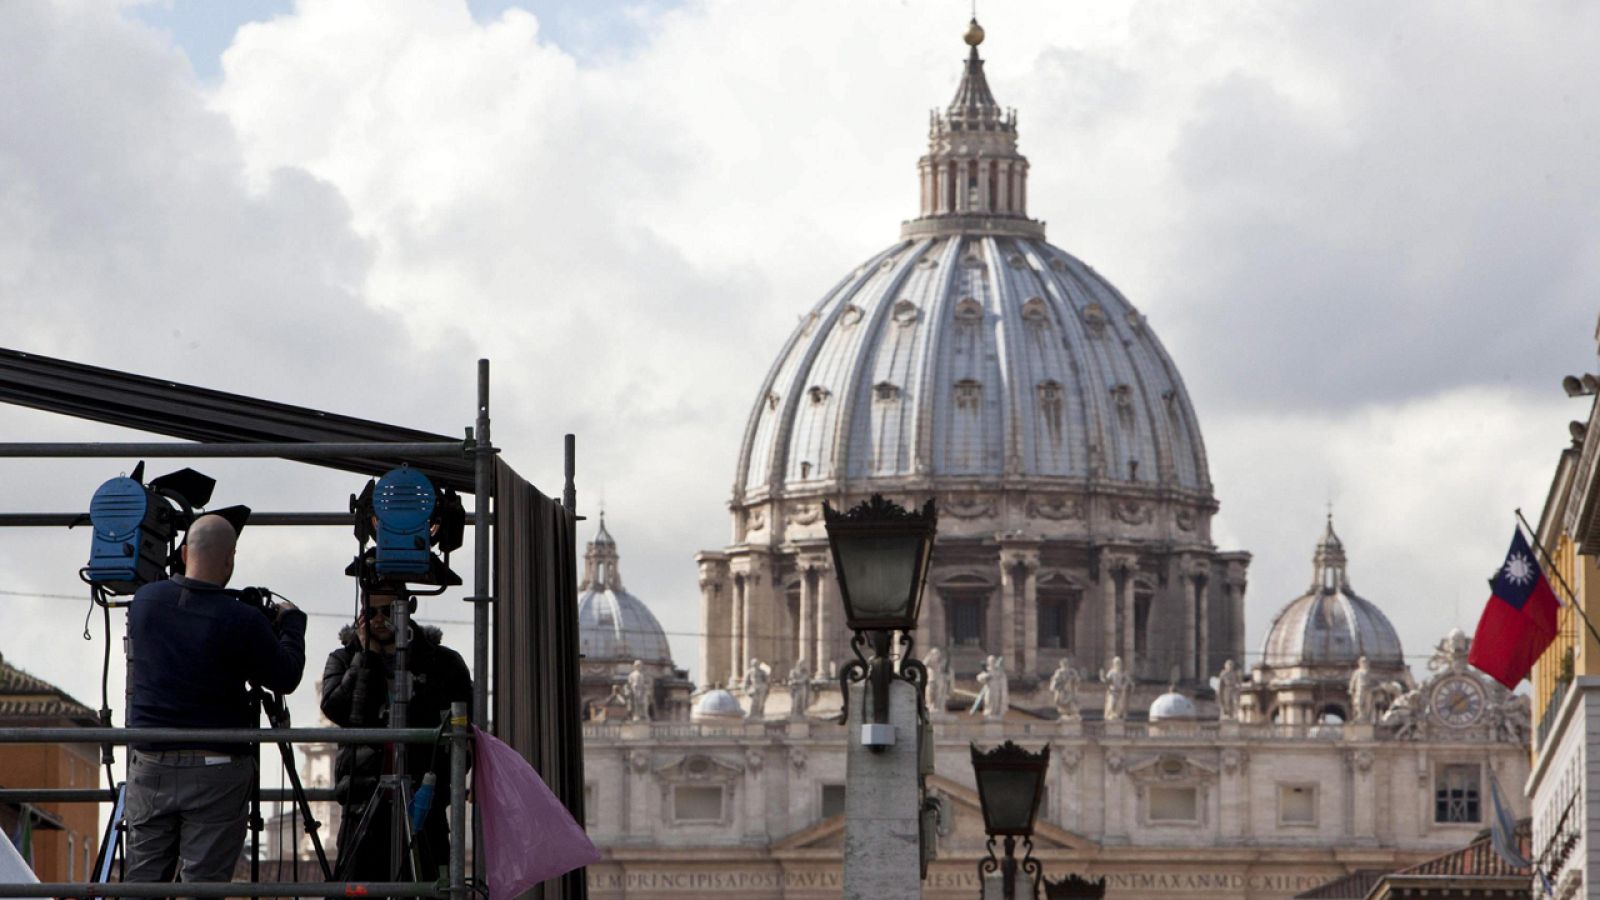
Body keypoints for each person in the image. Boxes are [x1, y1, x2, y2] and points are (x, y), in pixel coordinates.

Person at [124, 514, 307, 886]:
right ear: (230, 559)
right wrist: (291, 626)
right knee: (203, 886)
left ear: (184, 552)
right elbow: (285, 676)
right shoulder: (240, 619)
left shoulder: (144, 602)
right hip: (217, 767)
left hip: (151, 763)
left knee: (141, 885)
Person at [321, 585, 472, 883]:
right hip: (364, 802)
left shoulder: (441, 662)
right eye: (371, 612)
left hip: (423, 802)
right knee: (359, 887)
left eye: (388, 611)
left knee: (427, 884)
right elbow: (340, 711)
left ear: (406, 609)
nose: (380, 620)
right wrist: (365, 660)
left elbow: (466, 725)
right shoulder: (344, 659)